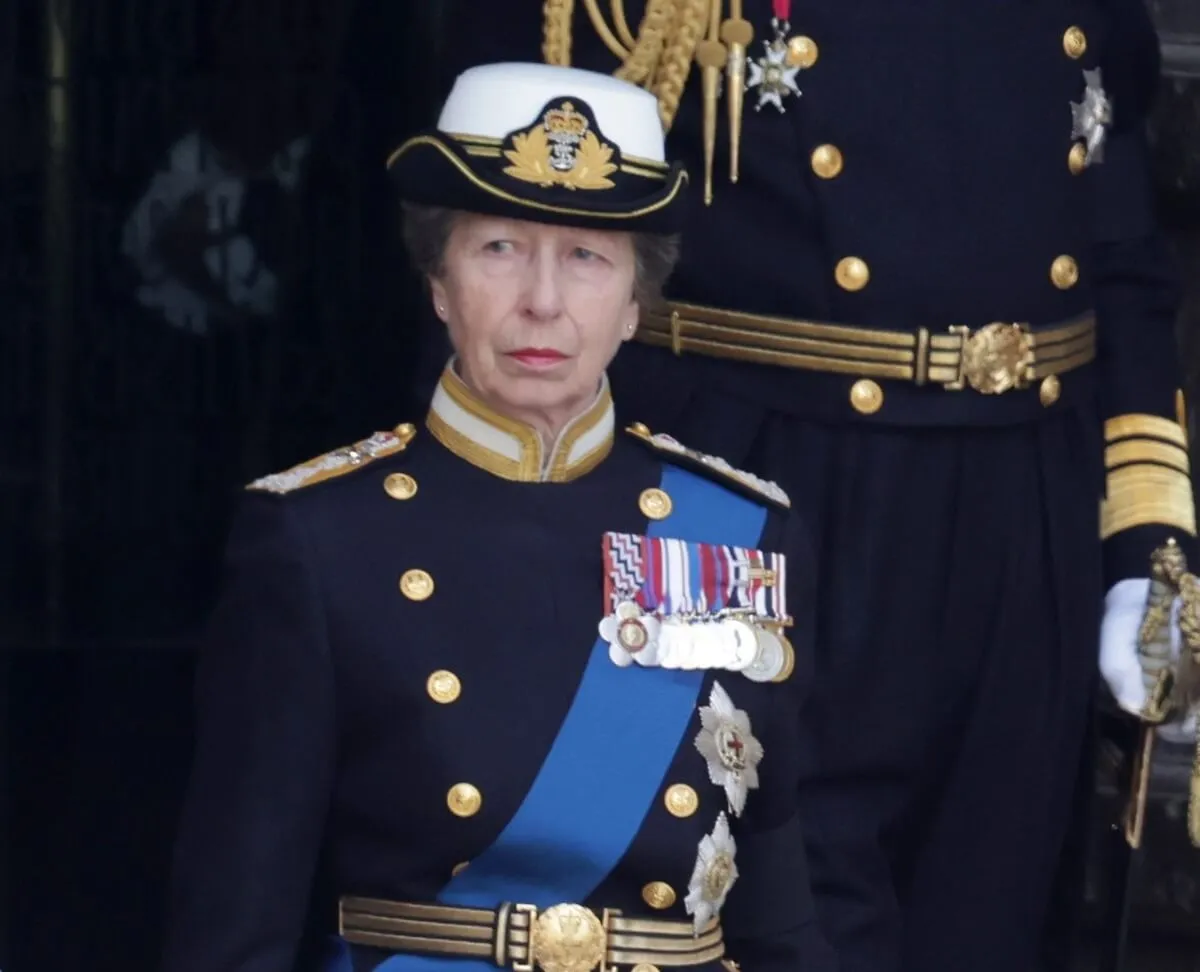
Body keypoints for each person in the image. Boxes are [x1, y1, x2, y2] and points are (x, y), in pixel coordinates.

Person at [435, 3, 1198, 971]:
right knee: (774, 926)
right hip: (753, 497)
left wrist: (1145, 539)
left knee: (989, 926)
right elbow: (516, 229)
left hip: (1020, 508)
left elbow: (1122, 243)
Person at [160, 61, 838, 972]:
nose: (543, 302)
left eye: (587, 257)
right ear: (439, 283)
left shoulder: (742, 531)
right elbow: (236, 923)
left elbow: (776, 894)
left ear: (638, 302)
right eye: (500, 249)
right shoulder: (319, 540)